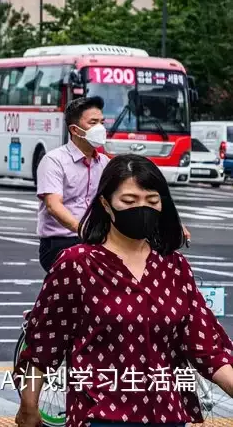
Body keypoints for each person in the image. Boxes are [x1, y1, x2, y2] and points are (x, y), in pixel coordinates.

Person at [15, 154, 233, 427]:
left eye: (152, 201)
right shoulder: (78, 264)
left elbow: (207, 347)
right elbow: (45, 342)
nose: (142, 209)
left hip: (167, 415)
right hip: (101, 416)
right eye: (129, 202)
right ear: (106, 204)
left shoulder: (174, 267)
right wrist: (29, 405)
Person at [34, 96, 111, 272]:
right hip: (61, 242)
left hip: (96, 240)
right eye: (93, 122)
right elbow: (53, 206)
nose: (100, 128)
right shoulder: (54, 161)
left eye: (102, 122)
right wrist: (82, 230)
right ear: (75, 130)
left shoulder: (105, 163)